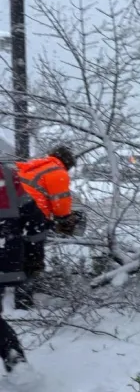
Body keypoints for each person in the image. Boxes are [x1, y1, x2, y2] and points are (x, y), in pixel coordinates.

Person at [14, 145, 78, 310]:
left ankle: (12, 291)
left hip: (8, 212)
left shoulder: (34, 167)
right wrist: (65, 222)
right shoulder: (58, 172)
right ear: (67, 163)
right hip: (31, 214)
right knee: (32, 256)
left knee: (12, 252)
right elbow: (61, 204)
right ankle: (23, 300)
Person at [0, 162, 38, 373]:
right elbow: (33, 215)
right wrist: (33, 256)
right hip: (7, 257)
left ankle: (13, 357)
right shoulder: (8, 174)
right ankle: (13, 356)